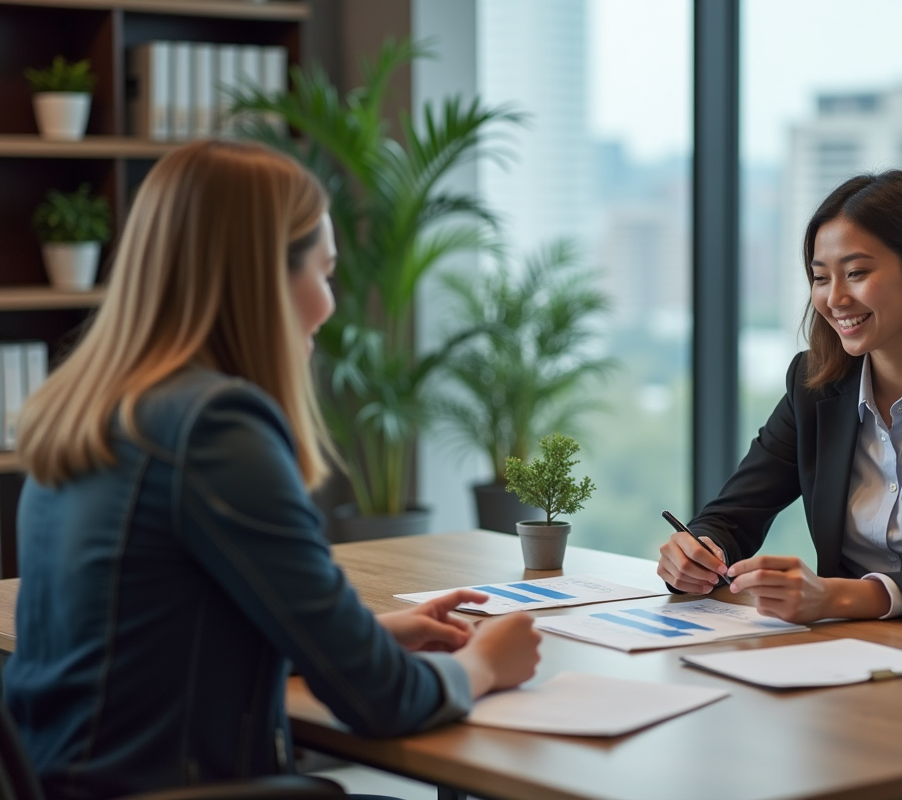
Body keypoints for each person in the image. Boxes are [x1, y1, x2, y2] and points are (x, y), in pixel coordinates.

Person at [3, 140, 542, 800]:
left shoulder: (94, 410)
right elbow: (381, 701)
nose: (330, 304)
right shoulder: (215, 427)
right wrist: (485, 665)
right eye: (323, 272)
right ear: (262, 278)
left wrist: (364, 635)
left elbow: (158, 635)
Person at [657, 170, 902, 799]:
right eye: (820, 277)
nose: (834, 297)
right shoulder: (816, 386)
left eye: (857, 271)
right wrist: (698, 548)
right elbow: (733, 515)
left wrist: (840, 598)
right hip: (858, 670)